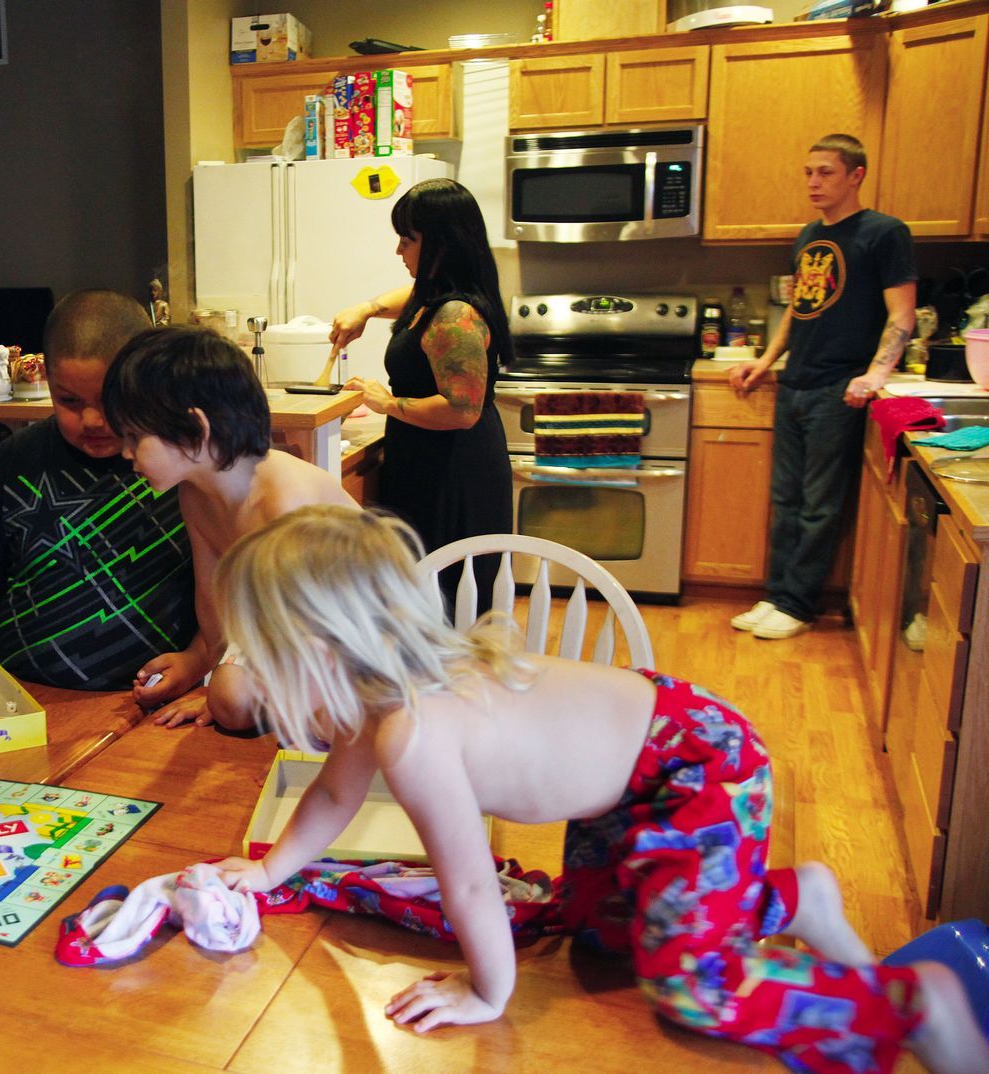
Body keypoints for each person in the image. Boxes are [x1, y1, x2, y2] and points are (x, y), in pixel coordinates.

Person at [212, 505, 988, 1074]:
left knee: (690, 987)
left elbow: (473, 885)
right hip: (635, 778)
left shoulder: (413, 733)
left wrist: (489, 992)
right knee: (600, 933)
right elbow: (331, 800)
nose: (250, 673)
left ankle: (912, 1002)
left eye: (257, 651)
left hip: (692, 769)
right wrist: (269, 871)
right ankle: (795, 899)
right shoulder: (377, 700)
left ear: (316, 650)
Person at [0, 290, 196, 693]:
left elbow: (222, 589)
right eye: (68, 400)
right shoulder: (13, 461)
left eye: (109, 399)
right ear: (44, 377)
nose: (91, 419)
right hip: (27, 694)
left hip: (152, 697)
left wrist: (200, 658)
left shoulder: (183, 463)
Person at [101, 324, 358, 729]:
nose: (125, 452)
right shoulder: (196, 494)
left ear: (194, 429)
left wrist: (230, 688)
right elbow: (213, 596)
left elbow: (319, 623)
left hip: (355, 633)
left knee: (259, 705)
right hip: (288, 635)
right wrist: (208, 671)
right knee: (229, 698)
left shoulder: (284, 500)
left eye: (134, 436)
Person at [728, 134, 917, 641]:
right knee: (785, 499)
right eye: (809, 172)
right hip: (796, 383)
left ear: (856, 175)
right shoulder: (809, 236)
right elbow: (800, 307)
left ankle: (799, 603)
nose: (813, 182)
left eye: (826, 172)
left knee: (819, 504)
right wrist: (765, 361)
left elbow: (903, 314)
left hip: (840, 389)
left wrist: (875, 374)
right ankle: (775, 595)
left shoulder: (884, 233)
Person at [329, 178, 513, 610]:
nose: (399, 251)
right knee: (423, 591)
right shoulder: (435, 295)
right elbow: (409, 298)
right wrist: (368, 309)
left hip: (454, 473)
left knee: (448, 599)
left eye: (407, 240)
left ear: (442, 245)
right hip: (428, 461)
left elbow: (462, 409)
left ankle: (456, 678)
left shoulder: (456, 315)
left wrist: (385, 402)